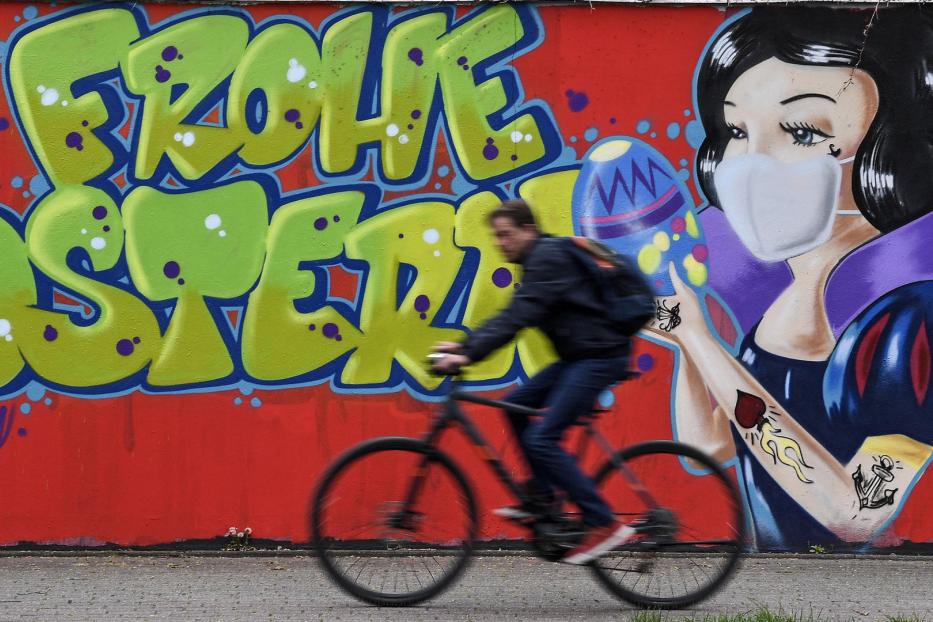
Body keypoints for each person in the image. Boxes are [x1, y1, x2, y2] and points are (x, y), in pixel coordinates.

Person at [655, 7, 933, 550]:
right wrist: (687, 346)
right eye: (736, 130)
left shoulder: (909, 320)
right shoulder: (783, 303)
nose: (752, 162)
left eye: (802, 131)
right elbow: (709, 445)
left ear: (891, 146)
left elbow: (856, 513)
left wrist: (703, 343)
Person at [431, 199, 635, 565]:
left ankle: (603, 522)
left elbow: (518, 316)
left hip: (600, 357)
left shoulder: (548, 259)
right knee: (515, 407)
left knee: (543, 438)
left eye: (506, 234)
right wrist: (464, 345)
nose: (500, 242)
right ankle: (543, 502)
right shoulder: (539, 262)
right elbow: (515, 313)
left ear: (529, 230)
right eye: (496, 236)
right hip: (580, 357)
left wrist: (467, 354)